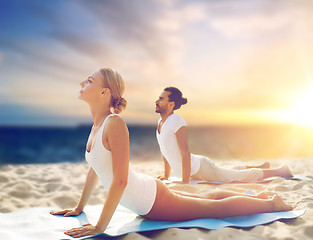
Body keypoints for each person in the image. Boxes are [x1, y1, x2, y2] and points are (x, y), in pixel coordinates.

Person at [50, 68, 292, 238]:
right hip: (148, 191)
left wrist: (100, 226)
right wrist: (80, 207)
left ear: (104, 93)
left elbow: (120, 180)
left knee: (213, 209)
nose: (83, 83)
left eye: (89, 81)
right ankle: (260, 197)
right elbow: (96, 169)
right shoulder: (96, 127)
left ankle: (271, 204)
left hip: (150, 201)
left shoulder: (115, 124)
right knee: (206, 199)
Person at [155, 87, 293, 184]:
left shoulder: (176, 120)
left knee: (235, 177)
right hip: (196, 169)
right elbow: (165, 150)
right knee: (226, 172)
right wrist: (166, 175)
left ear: (171, 104)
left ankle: (281, 171)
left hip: (200, 168)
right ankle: (261, 166)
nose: (156, 101)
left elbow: (185, 152)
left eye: (161, 99)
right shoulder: (161, 122)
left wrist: (185, 181)